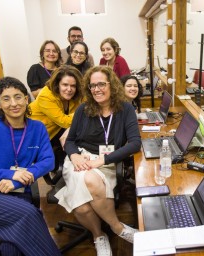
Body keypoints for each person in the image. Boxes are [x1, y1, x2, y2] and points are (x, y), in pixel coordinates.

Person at [0, 77, 60, 255]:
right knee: (30, 214)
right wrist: (9, 174)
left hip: (18, 194)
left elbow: (48, 161)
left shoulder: (38, 128)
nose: (13, 103)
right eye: (6, 98)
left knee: (12, 248)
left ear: (26, 99)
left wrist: (17, 181)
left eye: (18, 97)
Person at [55, 66, 141, 255]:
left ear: (112, 85)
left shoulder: (125, 109)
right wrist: (75, 155)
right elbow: (69, 141)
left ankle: (106, 233)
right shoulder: (83, 110)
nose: (97, 89)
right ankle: (110, 231)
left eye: (101, 84)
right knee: (86, 194)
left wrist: (103, 160)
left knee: (83, 202)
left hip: (106, 162)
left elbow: (135, 143)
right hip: (80, 159)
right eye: (92, 86)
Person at [29, 65, 83, 151]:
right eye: (65, 85)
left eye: (73, 86)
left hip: (56, 135)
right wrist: (82, 113)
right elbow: (65, 122)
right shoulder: (45, 96)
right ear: (57, 84)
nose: (69, 89)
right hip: (35, 140)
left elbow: (88, 105)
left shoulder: (76, 94)